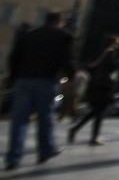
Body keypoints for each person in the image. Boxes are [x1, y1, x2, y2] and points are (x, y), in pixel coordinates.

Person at [4, 10, 75, 171]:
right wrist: (69, 77)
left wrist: (13, 78)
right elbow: (68, 59)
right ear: (59, 21)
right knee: (46, 117)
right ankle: (45, 151)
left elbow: (14, 57)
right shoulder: (63, 36)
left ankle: (13, 157)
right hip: (46, 80)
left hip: (24, 80)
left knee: (19, 119)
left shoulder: (28, 35)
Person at [70, 34, 119, 146]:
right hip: (105, 86)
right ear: (113, 42)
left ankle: (76, 129)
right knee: (99, 112)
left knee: (95, 112)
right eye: (117, 42)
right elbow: (112, 68)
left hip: (97, 84)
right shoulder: (110, 53)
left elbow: (93, 66)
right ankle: (94, 137)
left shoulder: (101, 53)